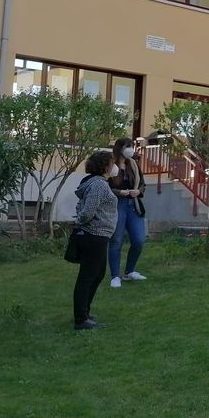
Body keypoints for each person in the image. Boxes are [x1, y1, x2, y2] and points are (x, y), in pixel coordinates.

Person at [71, 150, 117, 330]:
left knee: (97, 275)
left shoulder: (97, 183)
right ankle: (81, 319)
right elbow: (88, 210)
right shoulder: (98, 185)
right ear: (105, 166)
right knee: (88, 276)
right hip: (94, 235)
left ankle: (85, 313)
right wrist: (81, 222)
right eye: (112, 163)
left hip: (100, 235)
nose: (115, 167)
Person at [107, 137, 147, 289]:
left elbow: (142, 183)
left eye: (132, 146)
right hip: (117, 205)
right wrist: (119, 192)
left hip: (133, 205)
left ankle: (129, 271)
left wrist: (139, 191)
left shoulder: (134, 165)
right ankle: (115, 276)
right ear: (120, 148)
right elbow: (105, 186)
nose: (131, 149)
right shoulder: (111, 165)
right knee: (116, 240)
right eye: (128, 146)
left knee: (139, 240)